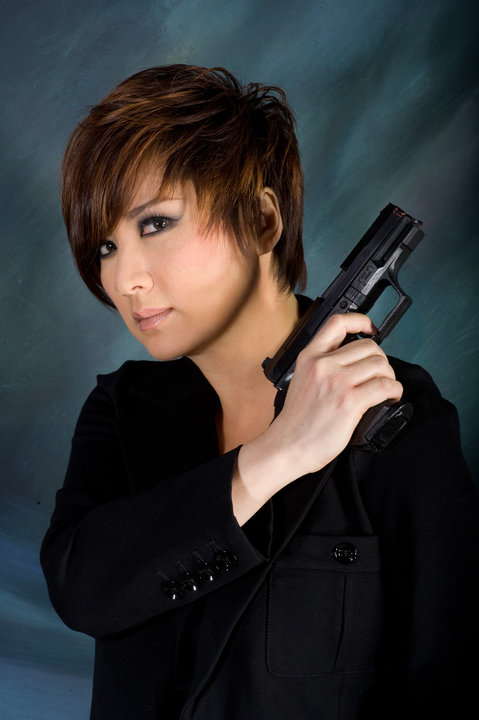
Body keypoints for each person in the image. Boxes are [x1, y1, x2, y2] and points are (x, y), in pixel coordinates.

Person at [40, 65, 479, 720]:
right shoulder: (122, 407)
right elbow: (83, 591)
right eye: (105, 244)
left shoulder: (396, 416)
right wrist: (280, 453)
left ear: (260, 220)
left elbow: (443, 674)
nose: (124, 278)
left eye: (155, 224)